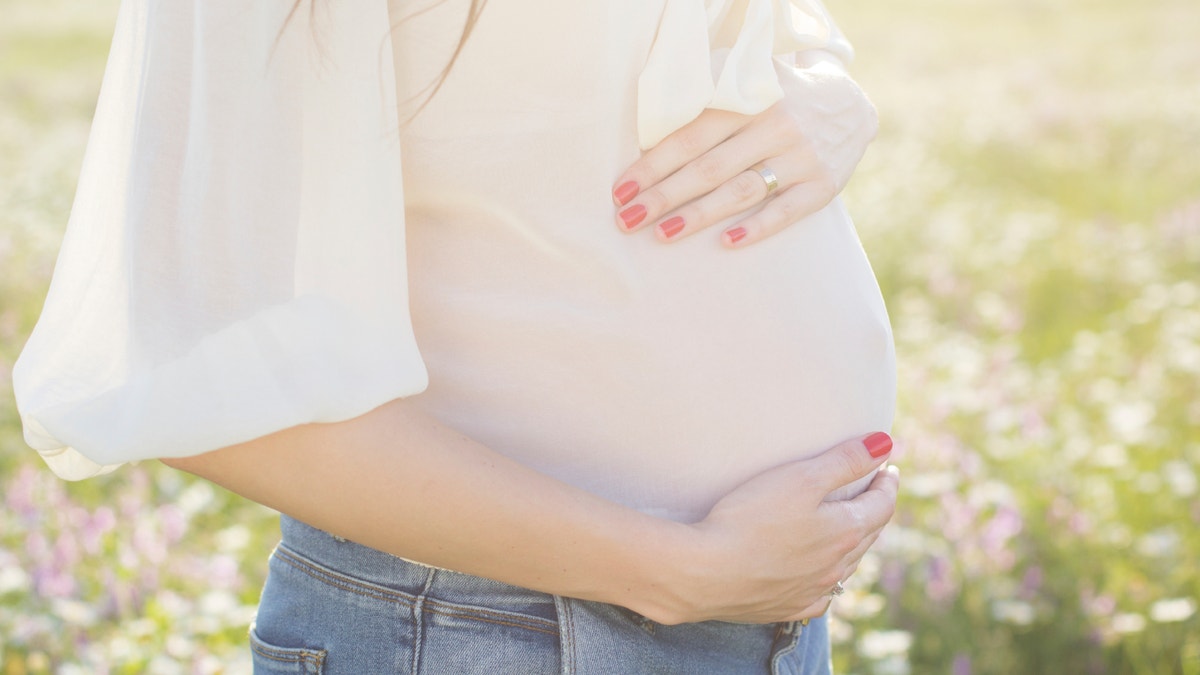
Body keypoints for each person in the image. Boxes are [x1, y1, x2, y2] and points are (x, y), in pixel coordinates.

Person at [12, 0, 899, 672]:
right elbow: (192, 372)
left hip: (755, 617)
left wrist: (824, 87)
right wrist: (671, 570)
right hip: (487, 629)